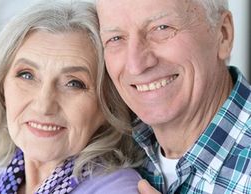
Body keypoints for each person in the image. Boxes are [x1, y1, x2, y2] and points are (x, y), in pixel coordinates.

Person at [0, 1, 144, 194]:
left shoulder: (117, 189)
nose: (44, 105)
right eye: (27, 75)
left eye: (74, 83)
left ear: (107, 105)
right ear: (1, 89)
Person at [96, 0, 251, 193]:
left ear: (223, 34)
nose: (136, 65)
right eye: (116, 38)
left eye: (161, 28)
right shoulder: (110, 150)